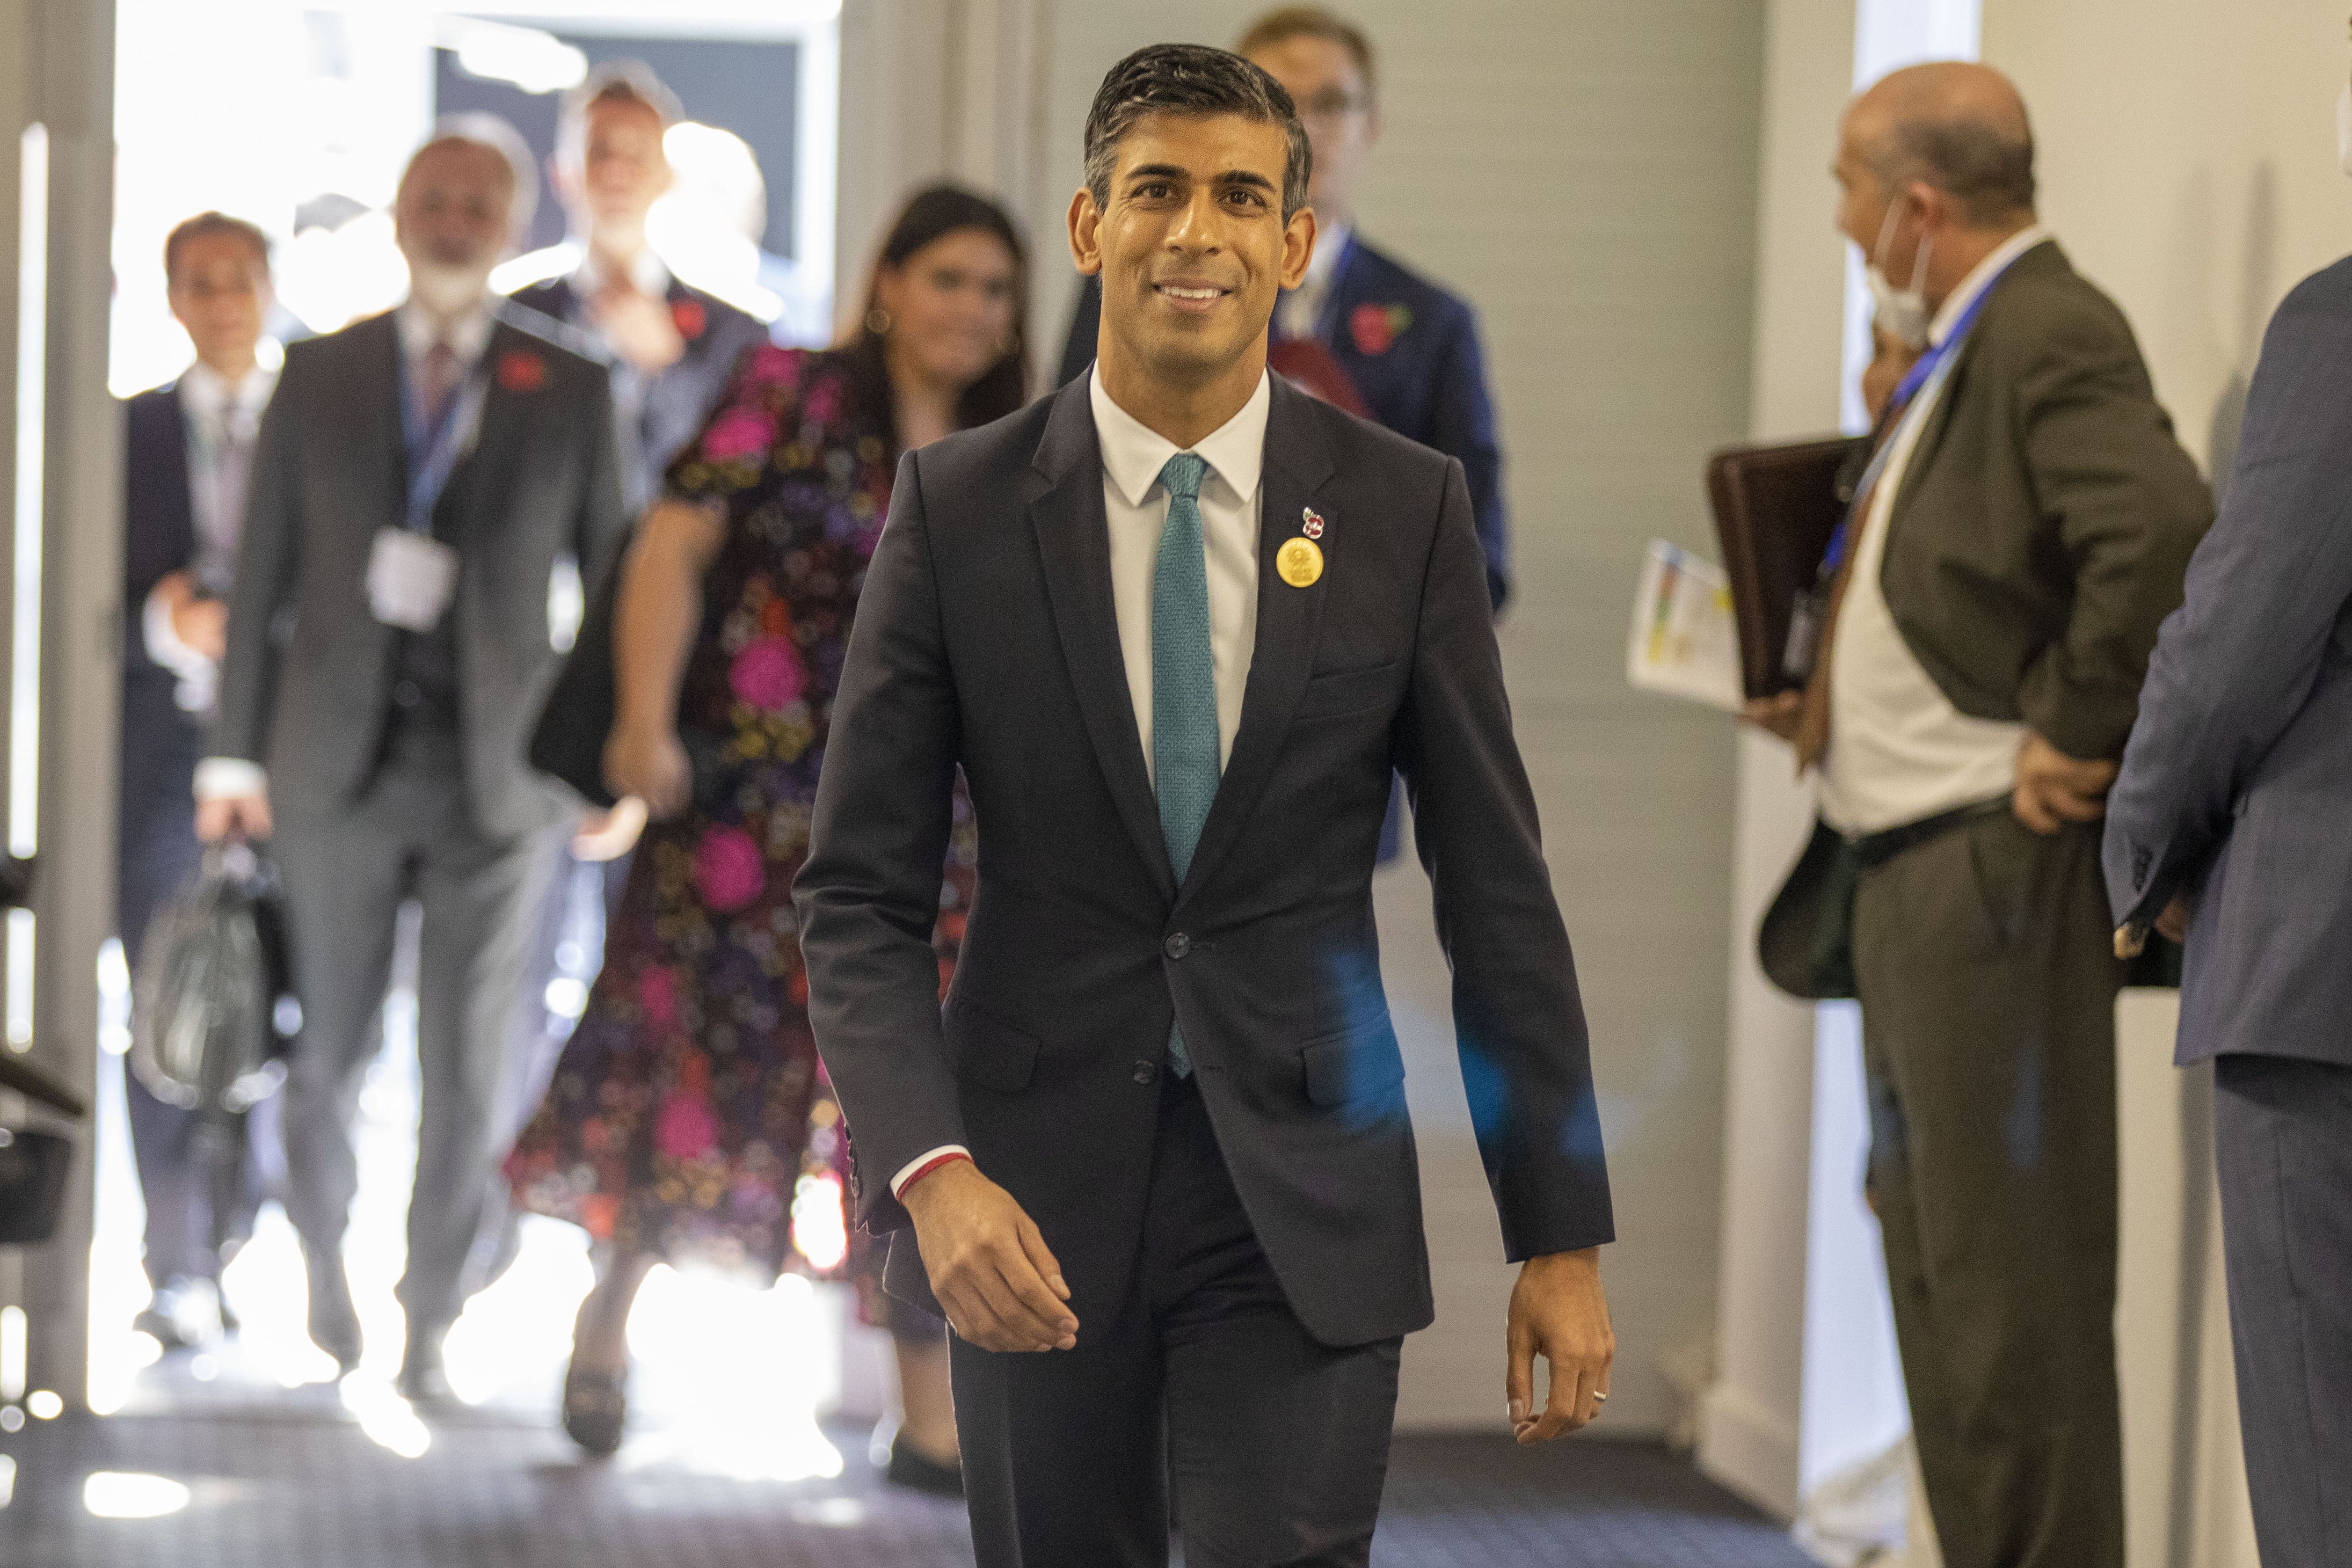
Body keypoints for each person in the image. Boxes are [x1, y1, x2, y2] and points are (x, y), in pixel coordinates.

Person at [796, 46, 1614, 1565]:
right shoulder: (958, 510)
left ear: (1292, 244)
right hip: (1024, 1199)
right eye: (1157, 190)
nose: (1197, 233)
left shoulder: (1400, 510)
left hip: (1302, 1192)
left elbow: (1493, 885)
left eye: (1241, 197)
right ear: (1091, 224)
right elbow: (857, 895)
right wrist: (929, 1170)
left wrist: (1555, 1227)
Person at [1745, 63, 2210, 1568]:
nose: (1838, 216)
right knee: (1939, 1275)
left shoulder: (2044, 325)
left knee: (2013, 1301)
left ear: (1916, 206)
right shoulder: (1952, 345)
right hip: (1904, 872)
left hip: (1986, 876)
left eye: (1843, 187)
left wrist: (2073, 735)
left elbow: (2154, 544)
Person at [501, 185, 1025, 1490]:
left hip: (932, 836)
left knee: (910, 1100)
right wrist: (637, 722)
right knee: (685, 1061)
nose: (970, 309)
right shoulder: (788, 388)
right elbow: (672, 545)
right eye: (947, 278)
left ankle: (927, 1412)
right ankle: (603, 1327)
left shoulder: (1018, 444)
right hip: (745, 811)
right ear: (887, 283)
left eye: (994, 289)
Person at [201, 119, 628, 1401]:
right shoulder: (317, 375)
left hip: (499, 789)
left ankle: (430, 1309)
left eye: (477, 203)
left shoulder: (573, 383)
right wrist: (232, 758)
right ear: (398, 215)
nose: (452, 220)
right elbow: (261, 572)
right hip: (329, 770)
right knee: (326, 1048)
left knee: (469, 1065)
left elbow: (611, 587)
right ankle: (322, 1264)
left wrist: (602, 766)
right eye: (432, 198)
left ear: (509, 226)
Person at [2102, 57, 2352, 1566]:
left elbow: (2237, 635)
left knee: (2322, 1469)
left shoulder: (2336, 321)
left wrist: (2141, 849)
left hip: (2322, 976)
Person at [498, 61, 769, 1184]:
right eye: (593, 149)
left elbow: (734, 514)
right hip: (518, 691)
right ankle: (487, 1218)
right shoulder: (512, 317)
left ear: (664, 171)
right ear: (564, 169)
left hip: (666, 697)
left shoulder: (733, 337)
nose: (611, 170)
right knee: (501, 981)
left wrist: (663, 371)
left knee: (643, 969)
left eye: (632, 151)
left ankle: (615, 1206)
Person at [1055, 6, 1510, 613]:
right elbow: (1062, 465)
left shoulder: (1435, 323)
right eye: (1277, 101)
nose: (1302, 127)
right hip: (1150, 606)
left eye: (1330, 104)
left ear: (1371, 125)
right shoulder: (1140, 279)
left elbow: (1479, 555)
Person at [119, 210, 280, 1350]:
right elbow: (83, 591)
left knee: (281, 1001)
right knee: (165, 1001)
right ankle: (172, 1255)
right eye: (200, 282)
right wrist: (166, 620)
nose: (222, 299)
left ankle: (248, 1236)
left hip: (287, 759)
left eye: (240, 278)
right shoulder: (126, 432)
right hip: (159, 760)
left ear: (268, 288)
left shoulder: (323, 421)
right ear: (174, 298)